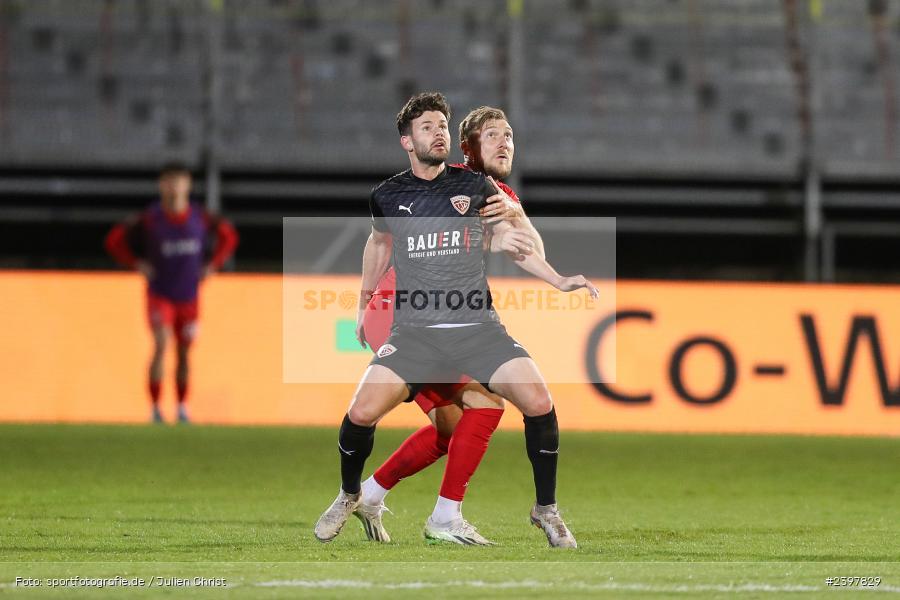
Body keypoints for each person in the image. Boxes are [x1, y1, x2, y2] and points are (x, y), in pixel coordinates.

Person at [314, 93, 596, 547]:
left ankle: (379, 495)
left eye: (509, 135)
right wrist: (363, 303)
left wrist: (556, 276)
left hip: (466, 325)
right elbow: (384, 241)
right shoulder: (408, 191)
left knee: (464, 423)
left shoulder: (482, 189)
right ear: (467, 146)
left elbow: (523, 246)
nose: (504, 143)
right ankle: (418, 510)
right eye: (492, 135)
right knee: (478, 409)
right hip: (402, 314)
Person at [105, 162, 238, 424]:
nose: (175, 187)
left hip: (189, 296)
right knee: (161, 343)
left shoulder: (200, 217)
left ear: (188, 185)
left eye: (179, 181)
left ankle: (181, 407)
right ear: (161, 185)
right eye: (169, 181)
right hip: (160, 294)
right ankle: (155, 408)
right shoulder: (151, 218)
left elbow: (229, 236)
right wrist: (136, 263)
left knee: (184, 353)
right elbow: (114, 240)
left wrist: (214, 264)